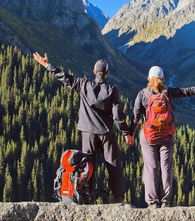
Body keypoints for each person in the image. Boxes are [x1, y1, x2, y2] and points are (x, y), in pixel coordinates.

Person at [33, 52, 133, 203]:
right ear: (107, 73)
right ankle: (119, 198)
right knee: (113, 166)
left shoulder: (84, 84)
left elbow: (64, 77)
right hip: (107, 133)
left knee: (87, 165)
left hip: (89, 133)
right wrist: (126, 133)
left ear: (94, 72)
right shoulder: (112, 91)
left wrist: (47, 65)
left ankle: (86, 196)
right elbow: (117, 115)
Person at [127, 66, 195, 208]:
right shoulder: (168, 92)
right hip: (167, 136)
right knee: (166, 168)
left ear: (148, 78)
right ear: (162, 79)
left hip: (149, 137)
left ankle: (152, 202)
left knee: (151, 168)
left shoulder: (142, 94)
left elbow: (135, 116)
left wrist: (130, 134)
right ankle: (165, 202)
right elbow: (188, 91)